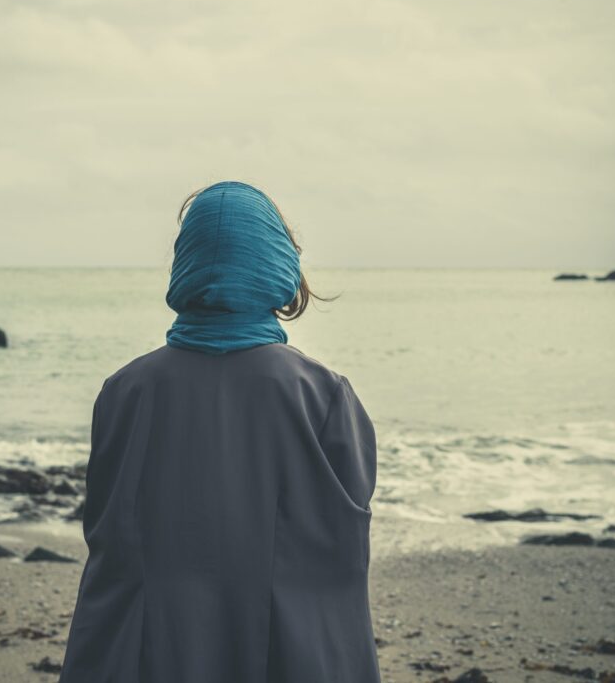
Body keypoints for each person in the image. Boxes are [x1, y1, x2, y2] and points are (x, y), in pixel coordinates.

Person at [57, 181, 381, 683]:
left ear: (185, 263)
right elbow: (341, 561)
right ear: (278, 265)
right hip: (286, 659)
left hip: (144, 660)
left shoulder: (123, 393)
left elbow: (110, 543)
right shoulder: (324, 396)